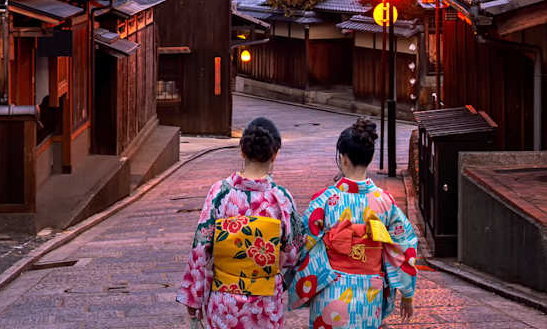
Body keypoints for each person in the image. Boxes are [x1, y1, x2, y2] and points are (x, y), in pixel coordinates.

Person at [292, 118, 420, 328]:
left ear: (343, 159)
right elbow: (405, 245)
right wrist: (407, 293)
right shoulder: (384, 201)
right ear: (369, 159)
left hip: (330, 290)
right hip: (370, 294)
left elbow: (300, 242)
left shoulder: (325, 200)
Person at [179, 116, 303, 329]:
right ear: (275, 155)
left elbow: (200, 248)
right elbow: (293, 252)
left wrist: (194, 298)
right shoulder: (281, 198)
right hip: (265, 304)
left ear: (242, 151)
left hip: (224, 303)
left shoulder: (220, 193)